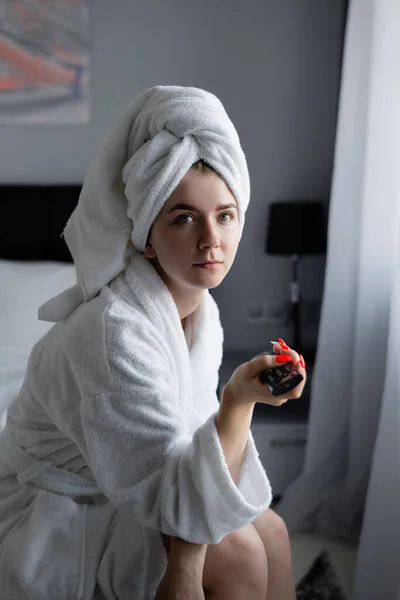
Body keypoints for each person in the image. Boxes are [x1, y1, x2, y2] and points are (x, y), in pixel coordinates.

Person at [0, 85, 306, 600]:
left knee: (273, 531)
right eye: (184, 218)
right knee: (241, 552)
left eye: (224, 215)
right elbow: (176, 493)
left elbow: (182, 458)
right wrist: (236, 401)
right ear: (146, 236)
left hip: (136, 485)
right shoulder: (111, 332)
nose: (210, 238)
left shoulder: (198, 311)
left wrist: (239, 399)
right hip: (57, 507)